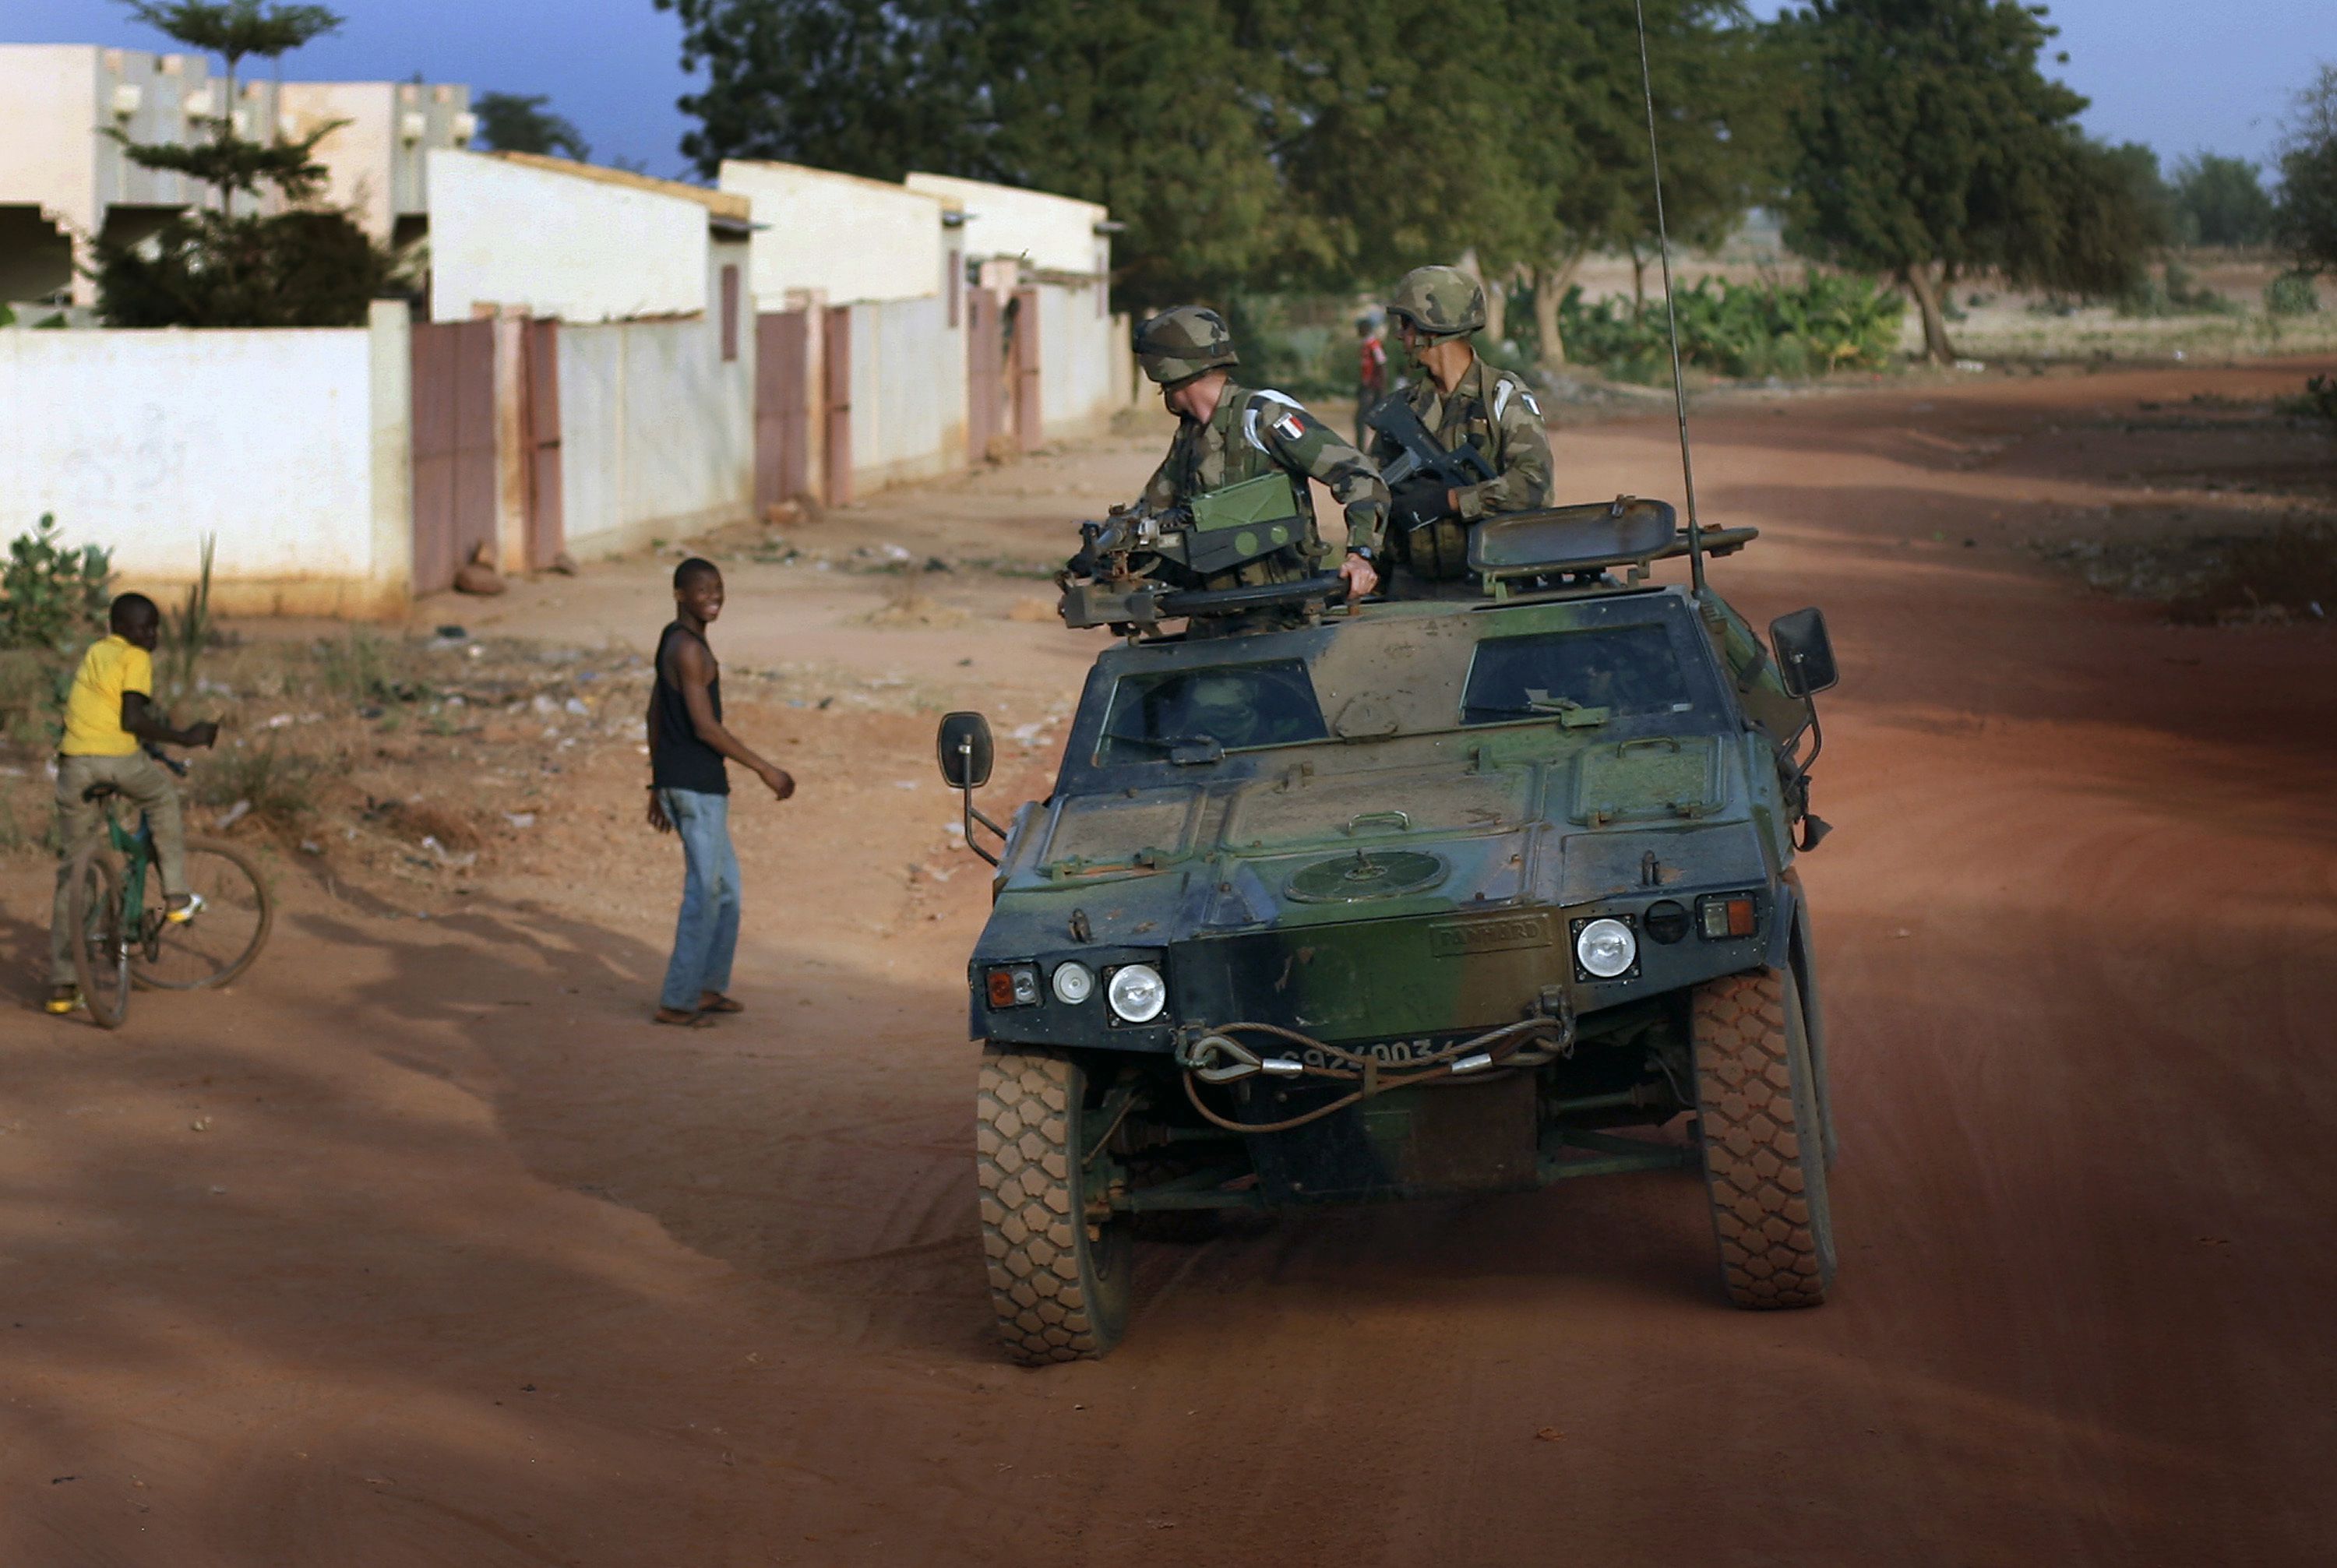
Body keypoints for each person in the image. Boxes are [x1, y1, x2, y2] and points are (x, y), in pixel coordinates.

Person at [1127, 305, 1389, 601]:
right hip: (1211, 611)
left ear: (1164, 369)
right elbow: (1153, 509)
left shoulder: (1262, 417)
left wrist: (1360, 555)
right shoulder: (1192, 434)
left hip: (1279, 614)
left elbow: (1360, 475)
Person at [47, 593, 219, 1017]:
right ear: (123, 628)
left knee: (74, 873)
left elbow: (95, 708)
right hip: (118, 761)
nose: (152, 635)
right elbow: (131, 721)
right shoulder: (136, 658)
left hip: (73, 765)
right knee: (161, 799)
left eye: (155, 627)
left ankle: (63, 986)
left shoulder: (95, 652)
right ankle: (176, 896)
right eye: (146, 627)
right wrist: (186, 737)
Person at [644, 558, 795, 1027]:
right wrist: (766, 769)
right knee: (705, 893)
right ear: (679, 594)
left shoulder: (678, 639)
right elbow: (706, 728)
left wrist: (656, 783)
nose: (714, 597)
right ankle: (677, 1001)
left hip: (687, 782)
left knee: (726, 891)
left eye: (719, 588)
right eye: (702, 590)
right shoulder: (688, 649)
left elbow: (654, 712)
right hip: (695, 786)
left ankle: (706, 988)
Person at [1371, 264, 1556, 587]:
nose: (1400, 334)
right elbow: (1371, 489)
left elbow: (1534, 484)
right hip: (1411, 586)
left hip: (1490, 585)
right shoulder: (1402, 409)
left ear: (1433, 327)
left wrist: (1451, 501)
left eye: (1407, 323)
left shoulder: (1502, 395)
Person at [1353, 312, 1390, 446]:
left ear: (1365, 329)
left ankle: (1364, 448)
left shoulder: (1374, 345)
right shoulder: (1365, 346)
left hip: (1372, 388)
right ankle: (1363, 447)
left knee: (1362, 418)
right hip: (1366, 386)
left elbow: (1382, 365)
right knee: (1365, 419)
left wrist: (1380, 388)